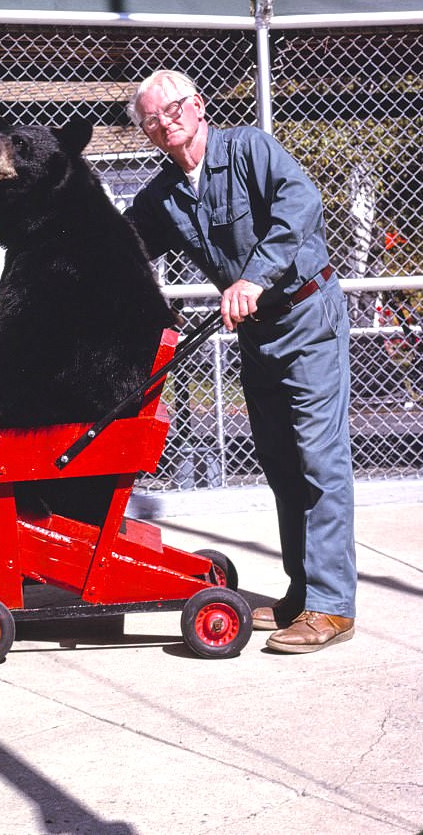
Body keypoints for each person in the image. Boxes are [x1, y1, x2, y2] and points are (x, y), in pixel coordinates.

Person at [124, 69, 356, 653]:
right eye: (152, 118)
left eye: (174, 108)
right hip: (257, 334)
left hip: (307, 318)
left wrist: (254, 275)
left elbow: (301, 202)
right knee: (280, 461)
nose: (165, 122)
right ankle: (303, 594)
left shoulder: (250, 147)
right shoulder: (161, 195)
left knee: (318, 458)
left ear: (198, 107)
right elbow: (122, 252)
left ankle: (334, 607)